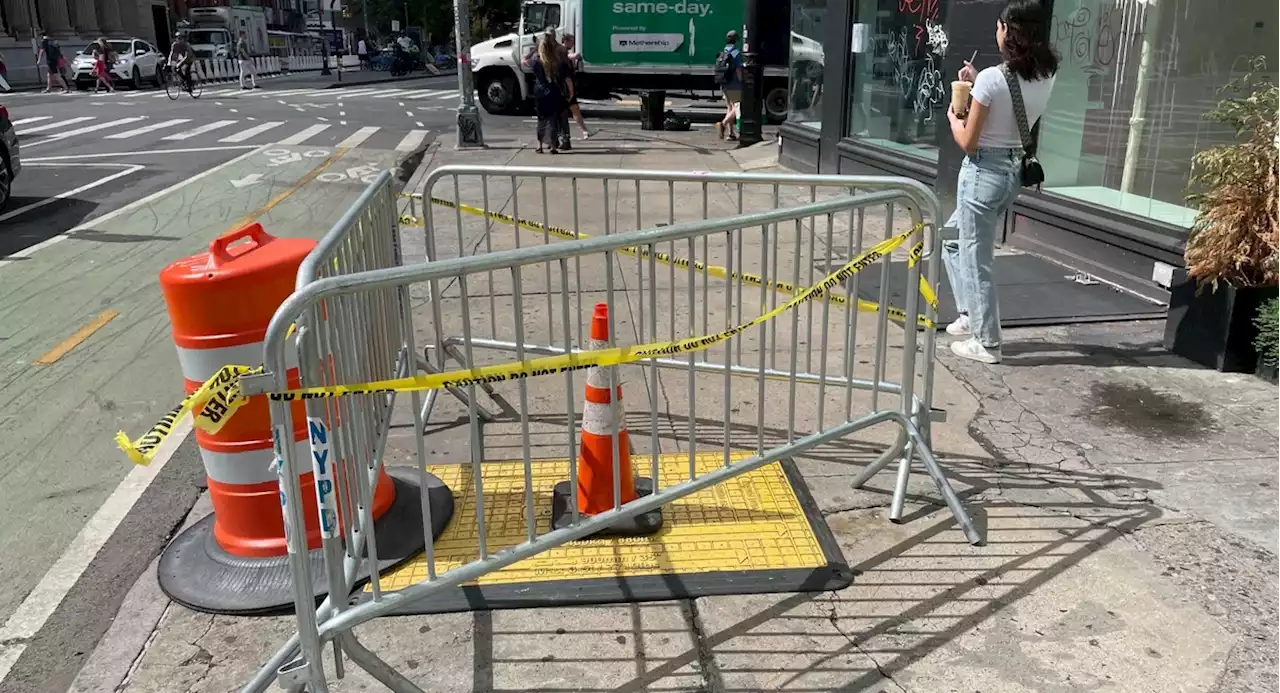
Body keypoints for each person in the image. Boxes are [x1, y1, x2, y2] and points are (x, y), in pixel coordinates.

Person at [942, 0, 1058, 364]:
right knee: (953, 241)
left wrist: (953, 117)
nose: (996, 32)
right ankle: (970, 316)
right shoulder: (1045, 75)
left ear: (1009, 31)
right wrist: (979, 85)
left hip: (981, 173)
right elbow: (1012, 103)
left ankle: (987, 341)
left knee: (977, 259)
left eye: (999, 26)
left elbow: (967, 140)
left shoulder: (994, 79)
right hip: (1010, 171)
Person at [530, 32, 569, 154]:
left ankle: (539, 145)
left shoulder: (537, 60)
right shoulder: (556, 61)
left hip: (540, 91)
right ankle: (553, 146)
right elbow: (563, 74)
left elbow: (532, 69)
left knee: (541, 119)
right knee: (553, 119)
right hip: (553, 91)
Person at [559, 34, 593, 142]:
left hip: (568, 87)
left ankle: (584, 130)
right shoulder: (562, 52)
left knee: (574, 110)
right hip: (566, 88)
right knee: (570, 110)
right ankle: (565, 135)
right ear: (565, 41)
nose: (573, 44)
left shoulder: (564, 52)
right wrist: (571, 91)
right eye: (571, 41)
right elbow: (567, 58)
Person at [714, 31, 743, 141]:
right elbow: (738, 69)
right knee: (737, 106)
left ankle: (731, 133)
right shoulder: (735, 53)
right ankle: (723, 123)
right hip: (734, 83)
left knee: (729, 107)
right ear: (736, 40)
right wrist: (742, 81)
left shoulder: (723, 51)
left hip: (724, 83)